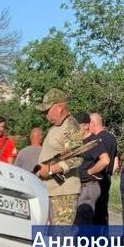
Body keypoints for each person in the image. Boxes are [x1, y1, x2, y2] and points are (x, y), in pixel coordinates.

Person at [35, 89, 83, 225]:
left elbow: (77, 157)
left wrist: (50, 170)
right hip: (51, 191)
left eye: (47, 110)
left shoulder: (70, 125)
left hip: (64, 194)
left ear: (59, 107)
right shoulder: (55, 127)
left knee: (61, 240)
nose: (45, 115)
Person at [74, 113, 109, 225]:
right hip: (79, 185)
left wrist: (90, 171)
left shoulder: (93, 142)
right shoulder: (78, 142)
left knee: (83, 222)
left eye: (76, 126)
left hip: (88, 187)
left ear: (86, 126)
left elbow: (105, 160)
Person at [90, 113, 118, 226]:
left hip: (97, 177)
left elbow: (100, 160)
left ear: (93, 123)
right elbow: (115, 161)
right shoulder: (112, 138)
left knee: (95, 211)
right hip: (107, 177)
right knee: (103, 210)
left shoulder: (97, 140)